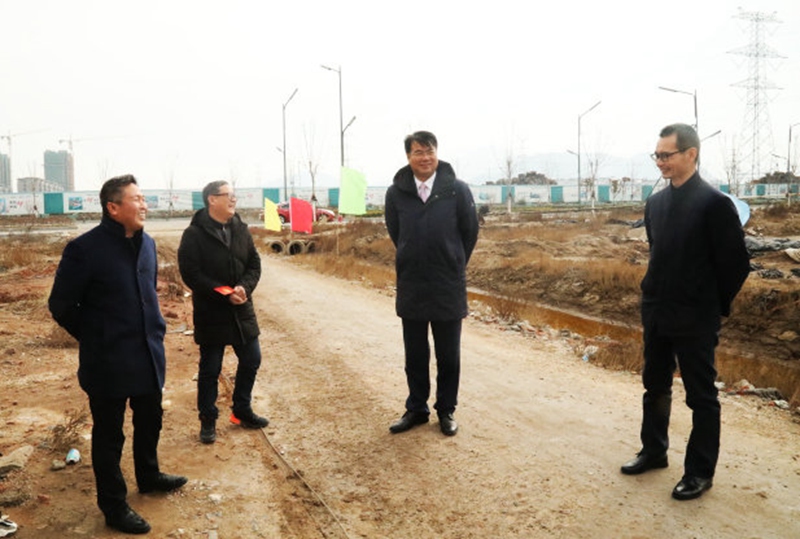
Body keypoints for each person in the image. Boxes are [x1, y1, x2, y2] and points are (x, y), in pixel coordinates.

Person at [49, 175, 187, 535]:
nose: (144, 205)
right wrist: (96, 336)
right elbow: (61, 304)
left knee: (150, 418)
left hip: (147, 353)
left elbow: (146, 294)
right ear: (113, 207)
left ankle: (149, 475)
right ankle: (113, 506)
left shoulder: (148, 244)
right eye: (136, 199)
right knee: (110, 435)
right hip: (107, 360)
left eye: (144, 198)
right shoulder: (84, 249)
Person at [620, 124, 750, 500]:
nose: (660, 161)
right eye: (657, 155)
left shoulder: (714, 204)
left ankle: (699, 472)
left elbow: (735, 265)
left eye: (667, 155)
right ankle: (654, 451)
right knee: (655, 385)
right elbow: (658, 252)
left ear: (691, 154)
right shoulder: (656, 203)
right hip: (658, 310)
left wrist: (711, 306)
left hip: (695, 316)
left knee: (701, 396)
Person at [384, 131, 480, 436]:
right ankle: (416, 409)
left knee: (449, 355)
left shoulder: (457, 190)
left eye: (429, 151)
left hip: (447, 284)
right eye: (418, 152)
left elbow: (470, 232)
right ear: (408, 157)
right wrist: (413, 256)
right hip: (412, 283)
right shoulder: (396, 193)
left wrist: (453, 261)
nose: (425, 158)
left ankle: (446, 410)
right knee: (415, 354)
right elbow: (396, 232)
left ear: (437, 153)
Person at [178, 180, 268, 445]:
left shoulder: (241, 229)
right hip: (211, 310)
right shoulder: (194, 235)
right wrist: (223, 292)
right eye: (228, 195)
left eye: (234, 195)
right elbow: (191, 273)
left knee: (252, 358)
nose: (233, 200)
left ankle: (241, 410)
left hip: (241, 307)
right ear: (212, 200)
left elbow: (254, 264)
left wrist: (244, 288)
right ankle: (208, 419)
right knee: (210, 368)